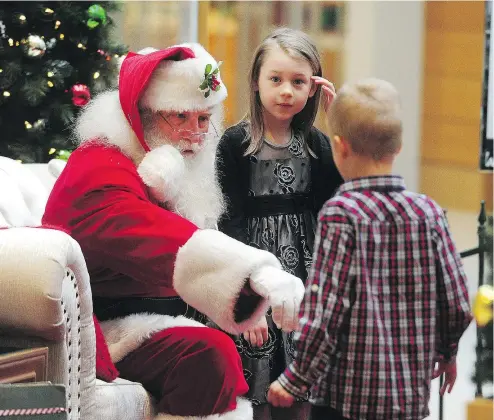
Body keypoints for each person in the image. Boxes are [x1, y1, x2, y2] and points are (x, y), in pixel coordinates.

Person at [42, 43, 306, 420]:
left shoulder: (162, 164)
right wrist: (255, 274)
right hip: (103, 328)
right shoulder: (99, 168)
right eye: (180, 116)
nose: (195, 135)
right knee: (207, 355)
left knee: (233, 353)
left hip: (153, 316)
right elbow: (157, 238)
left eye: (203, 120)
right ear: (144, 114)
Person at [267, 78, 473, 420]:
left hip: (344, 403)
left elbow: (326, 311)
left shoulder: (341, 214)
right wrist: (447, 352)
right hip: (406, 400)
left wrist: (296, 379)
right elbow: (457, 301)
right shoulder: (429, 213)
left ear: (340, 147)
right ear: (399, 147)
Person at [216, 28, 343, 420]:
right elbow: (228, 223)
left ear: (313, 88)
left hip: (304, 275)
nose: (286, 91)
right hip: (255, 272)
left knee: (301, 379)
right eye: (276, 79)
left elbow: (337, 204)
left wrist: (335, 120)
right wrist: (248, 301)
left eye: (299, 82)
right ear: (256, 82)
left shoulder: (318, 144)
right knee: (259, 378)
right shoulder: (235, 143)